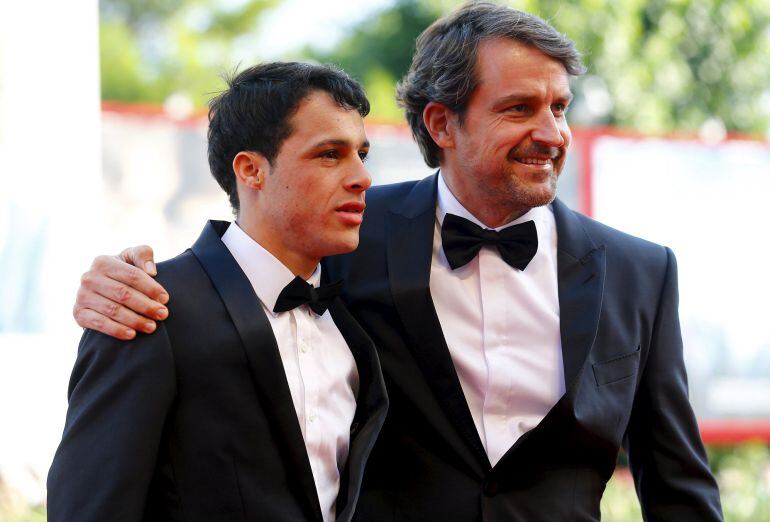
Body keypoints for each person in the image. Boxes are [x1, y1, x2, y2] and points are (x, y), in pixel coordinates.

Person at [69, 2, 723, 521]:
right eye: (520, 108)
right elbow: (237, 268)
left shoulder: (641, 272)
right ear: (442, 124)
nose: (551, 133)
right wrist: (118, 282)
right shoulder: (349, 232)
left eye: (559, 107)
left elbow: (677, 485)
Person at [48, 62, 388, 522]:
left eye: (361, 154)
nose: (361, 177)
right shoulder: (147, 306)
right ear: (251, 170)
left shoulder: (353, 319)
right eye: (329, 154)